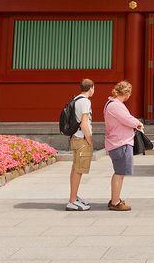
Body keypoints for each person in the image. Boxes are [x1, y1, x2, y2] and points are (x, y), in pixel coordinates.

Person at [103, 80, 143, 211]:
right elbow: (128, 119)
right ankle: (115, 201)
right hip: (120, 143)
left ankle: (116, 198)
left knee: (119, 172)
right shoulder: (115, 105)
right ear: (126, 93)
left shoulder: (112, 103)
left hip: (117, 142)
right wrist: (138, 123)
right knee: (119, 173)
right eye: (129, 93)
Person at [66, 79, 95, 211]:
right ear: (91, 88)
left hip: (75, 138)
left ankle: (74, 196)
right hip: (82, 139)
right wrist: (89, 139)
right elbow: (84, 123)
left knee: (75, 169)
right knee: (78, 170)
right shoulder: (85, 101)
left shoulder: (76, 99)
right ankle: (72, 201)